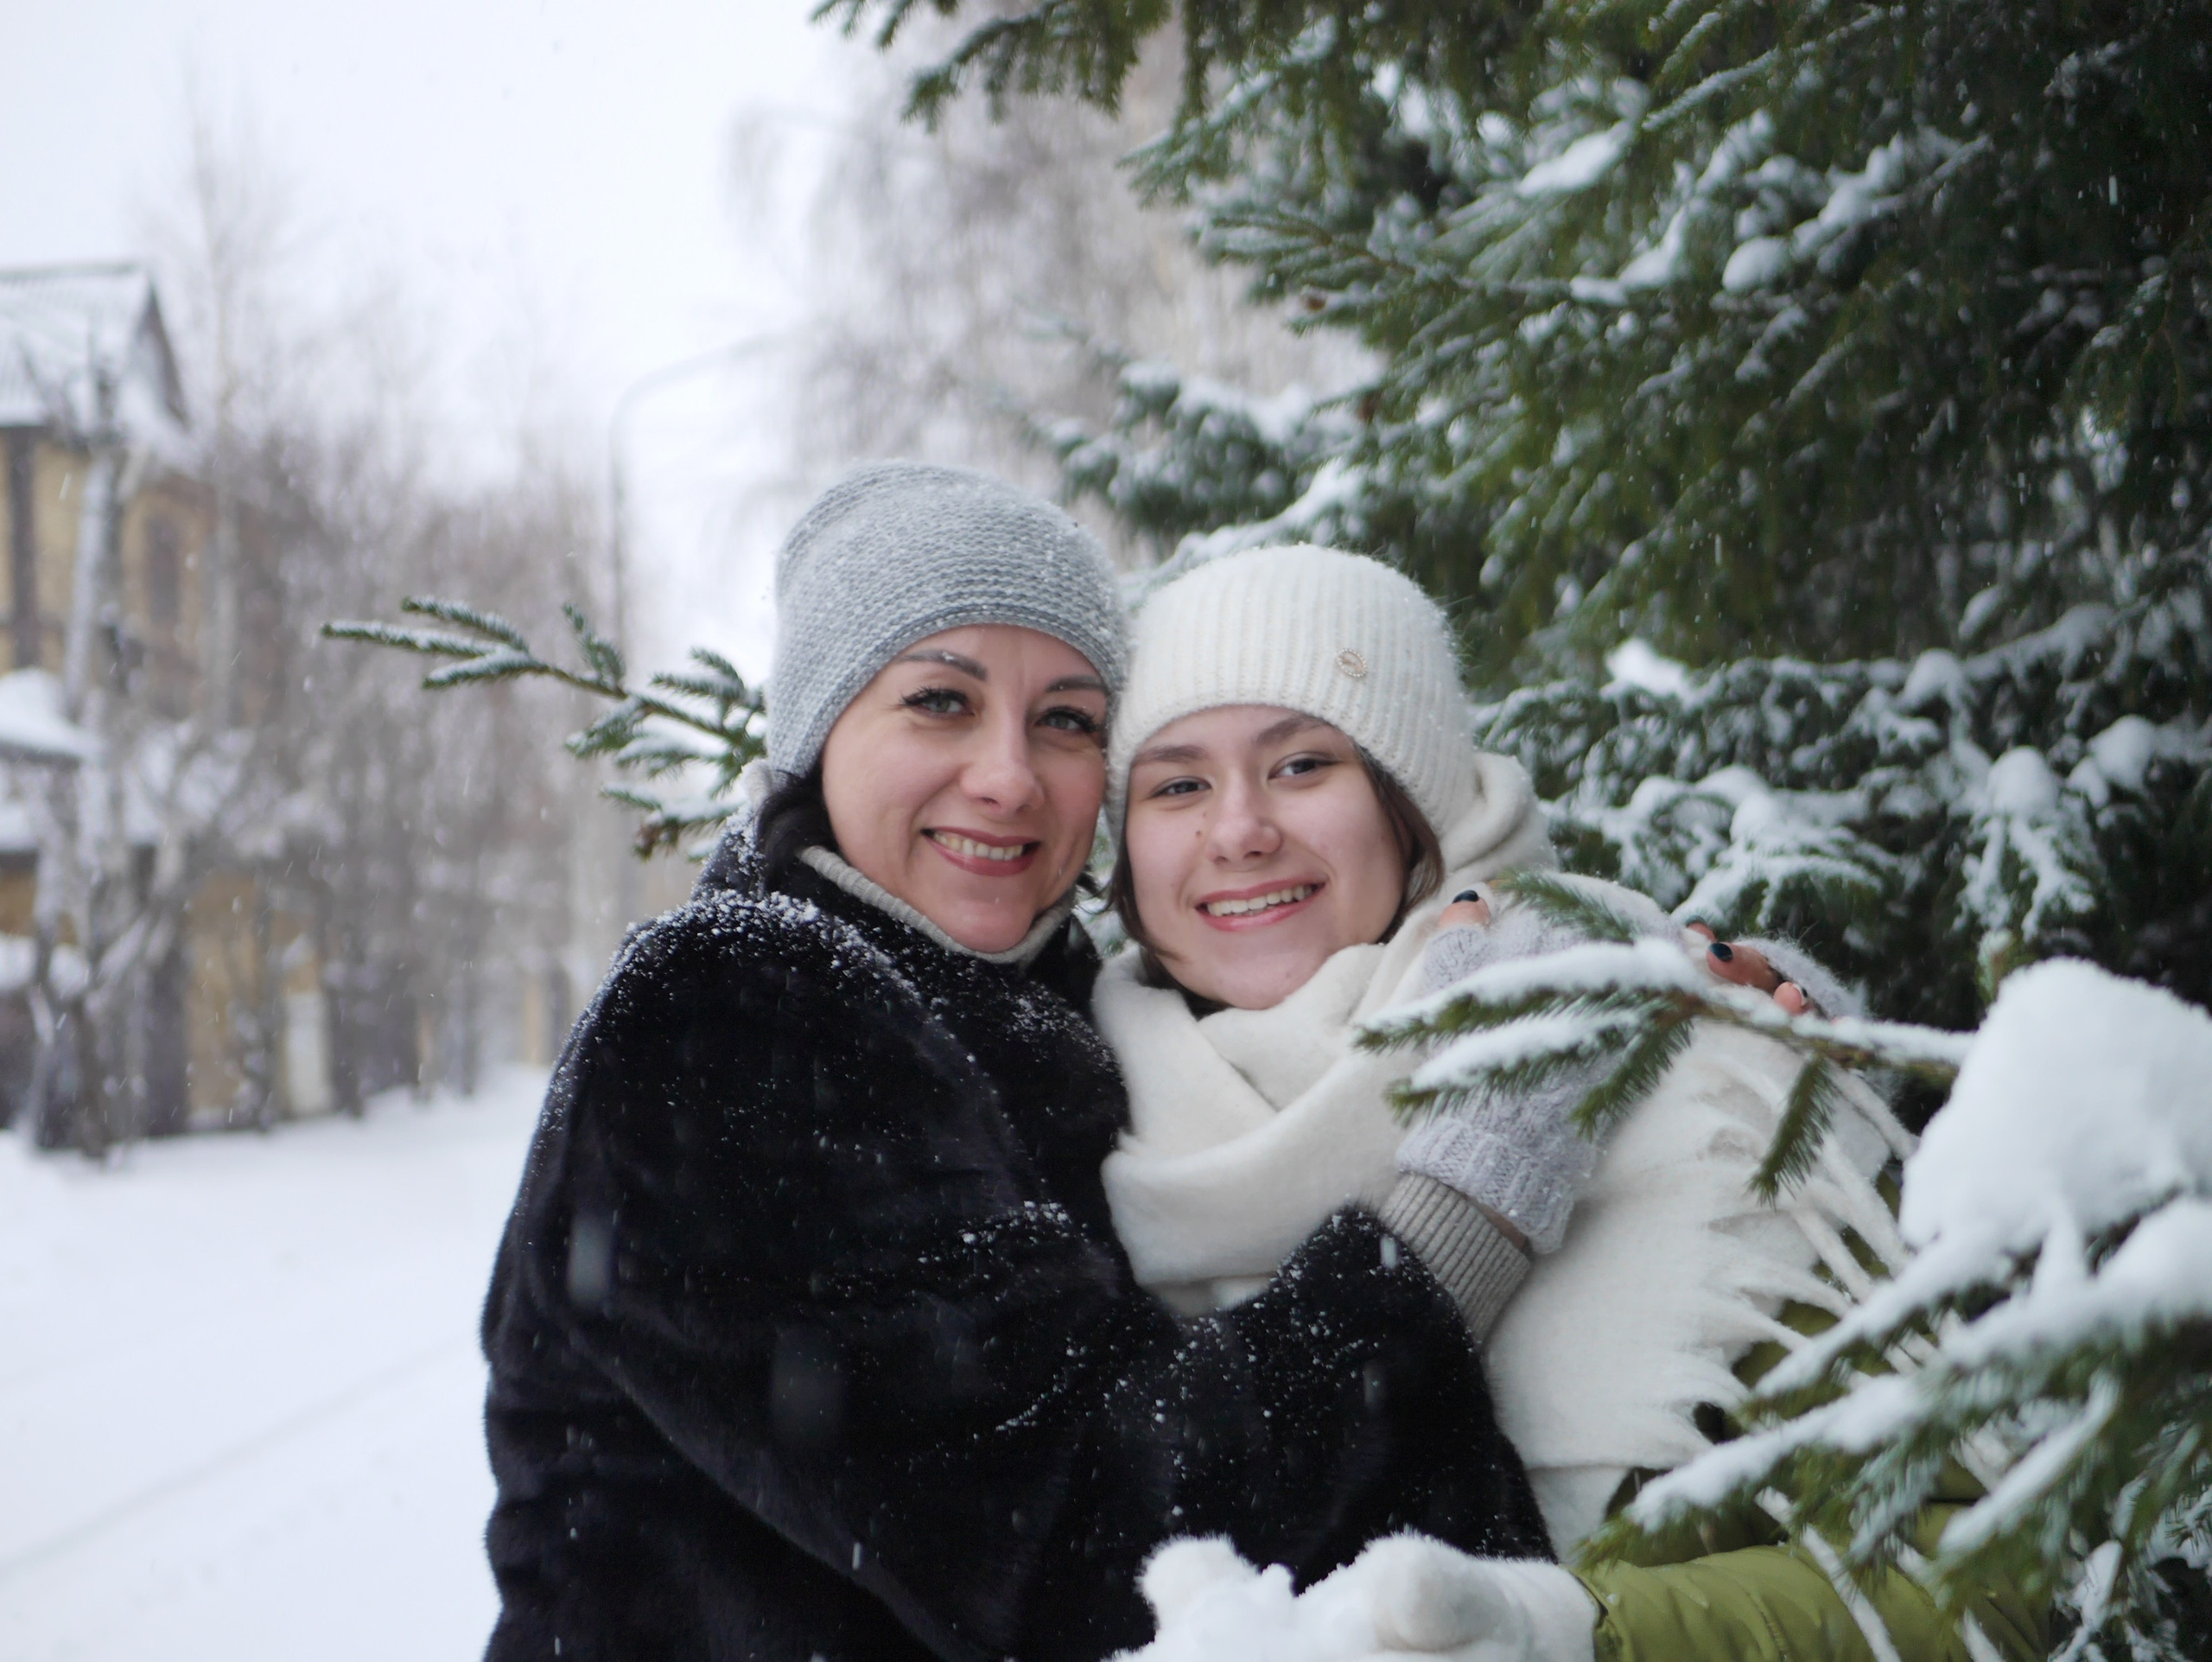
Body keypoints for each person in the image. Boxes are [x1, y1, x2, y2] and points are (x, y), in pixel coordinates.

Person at [477, 467, 1554, 1662]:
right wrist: (1466, 1204)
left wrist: (1673, 988)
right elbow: (1086, 1535)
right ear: (822, 736)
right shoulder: (730, 1016)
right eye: (941, 702)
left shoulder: (1058, 1015)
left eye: (1069, 720)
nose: (1009, 775)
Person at [1095, 543, 2045, 1660]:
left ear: (1419, 809)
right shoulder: (1080, 1149)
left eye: (1303, 764)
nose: (1239, 828)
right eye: (1177, 784)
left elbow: (1990, 1580)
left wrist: (1584, 1638)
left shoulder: (1694, 1077)